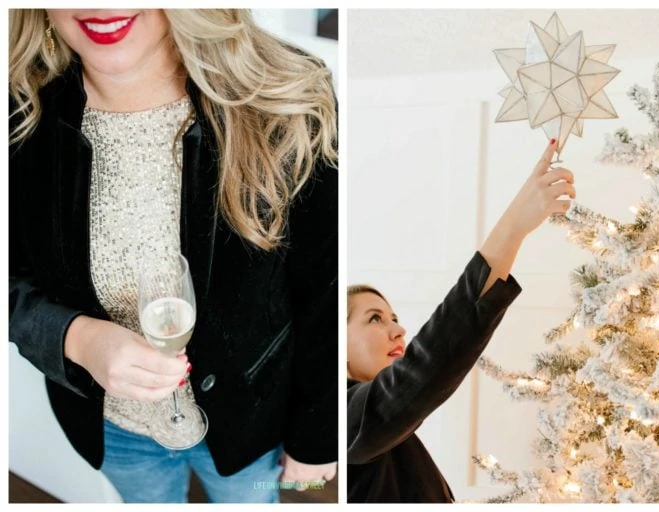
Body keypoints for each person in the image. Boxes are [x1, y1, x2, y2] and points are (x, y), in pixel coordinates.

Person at [9, 9, 338, 503]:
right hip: (114, 434)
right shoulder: (19, 113)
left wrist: (318, 435)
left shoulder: (290, 96)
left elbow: (325, 287)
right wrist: (75, 339)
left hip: (251, 425)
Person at [347, 139, 575, 502]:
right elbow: (428, 363)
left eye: (394, 316)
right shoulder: (342, 423)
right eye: (374, 319)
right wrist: (514, 224)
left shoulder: (380, 432)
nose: (398, 329)